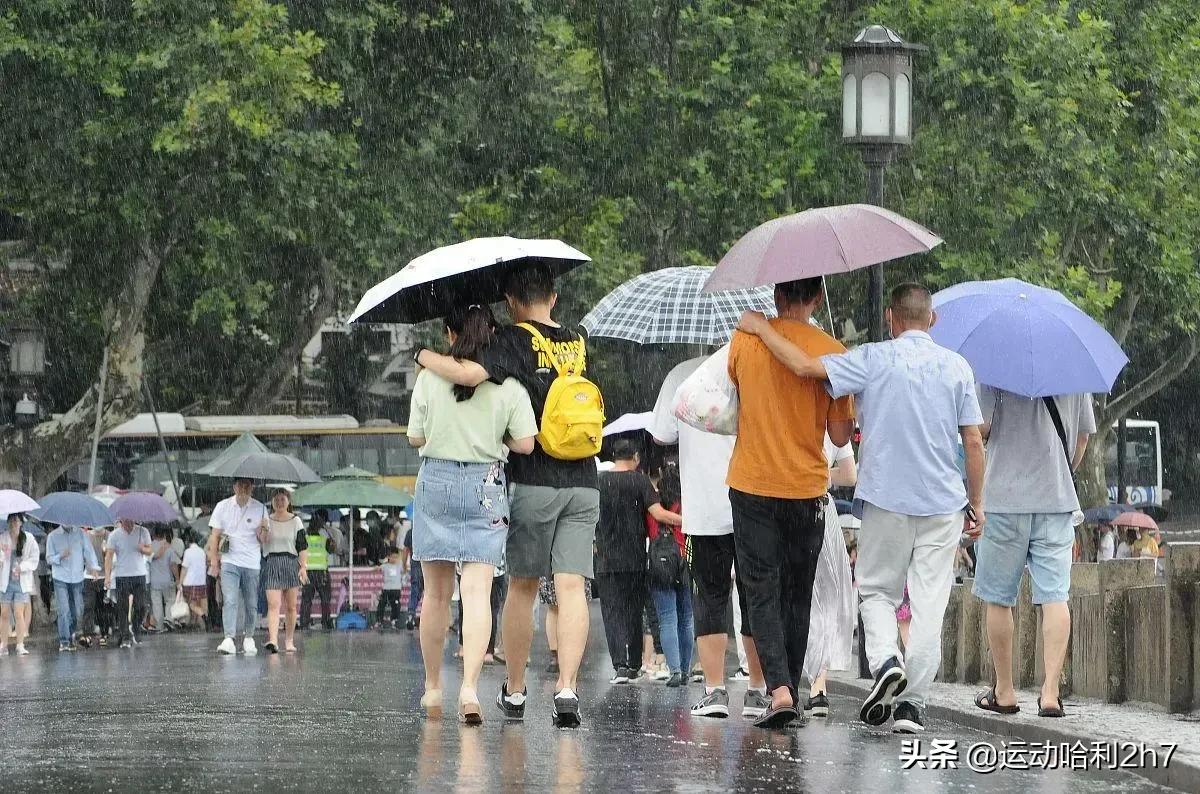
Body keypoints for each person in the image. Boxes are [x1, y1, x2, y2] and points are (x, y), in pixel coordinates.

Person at [738, 282, 986, 734]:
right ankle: (911, 707)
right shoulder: (958, 368)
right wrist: (978, 502)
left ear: (891, 317)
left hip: (886, 498)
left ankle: (886, 659)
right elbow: (973, 439)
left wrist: (760, 327)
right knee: (930, 604)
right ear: (932, 319)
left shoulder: (871, 358)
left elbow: (802, 365)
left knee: (876, 593)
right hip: (944, 504)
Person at [414, 265, 601, 728]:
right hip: (583, 480)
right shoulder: (578, 340)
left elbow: (469, 374)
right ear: (553, 297)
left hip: (535, 482)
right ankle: (567, 688)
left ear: (512, 302)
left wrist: (424, 355)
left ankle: (513, 690)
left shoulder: (514, 341)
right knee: (572, 586)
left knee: (520, 586)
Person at [726, 277, 855, 729]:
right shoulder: (832, 352)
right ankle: (792, 693)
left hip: (752, 483)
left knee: (760, 589)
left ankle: (778, 689)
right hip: (806, 490)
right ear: (817, 298)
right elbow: (839, 434)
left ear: (777, 295)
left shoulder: (746, 340)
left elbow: (736, 392)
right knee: (798, 594)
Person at [408, 302, 538, 724]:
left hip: (437, 480)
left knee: (436, 594)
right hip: (487, 483)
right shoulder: (509, 384)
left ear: (449, 334)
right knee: (478, 591)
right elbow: (526, 444)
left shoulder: (429, 378)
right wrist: (494, 435)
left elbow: (415, 437)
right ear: (492, 335)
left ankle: (432, 687)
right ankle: (469, 689)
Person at [650, 352, 770, 720]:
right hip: (753, 500)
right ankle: (757, 691)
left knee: (710, 597)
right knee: (755, 597)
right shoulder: (755, 367)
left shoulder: (681, 374)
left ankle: (715, 690)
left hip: (704, 508)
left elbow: (661, 433)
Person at [972, 388, 1094, 720]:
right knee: (1055, 596)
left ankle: (1005, 691)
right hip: (1056, 500)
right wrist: (1059, 470)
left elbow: (980, 428)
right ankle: (1051, 693)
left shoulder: (997, 371)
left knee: (999, 599)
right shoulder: (1073, 372)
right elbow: (1082, 438)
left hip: (1003, 499)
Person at [595, 440, 682, 684]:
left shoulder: (600, 481)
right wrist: (685, 520)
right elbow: (658, 514)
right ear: (635, 457)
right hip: (634, 556)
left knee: (612, 612)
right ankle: (634, 664)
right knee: (634, 611)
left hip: (606, 557)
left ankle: (620, 666)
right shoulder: (640, 481)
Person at [804, 435, 859, 718]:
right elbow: (850, 474)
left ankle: (785, 683)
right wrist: (825, 473)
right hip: (824, 510)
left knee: (797, 596)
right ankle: (819, 687)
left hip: (788, 502)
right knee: (825, 600)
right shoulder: (836, 426)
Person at [645, 460, 694, 688]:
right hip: (685, 561)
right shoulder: (687, 503)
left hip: (660, 564)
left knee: (667, 618)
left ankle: (673, 669)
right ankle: (685, 670)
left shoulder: (653, 505)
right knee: (686, 619)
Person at [207, 478, 268, 656]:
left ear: (252, 487)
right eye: (240, 485)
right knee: (230, 600)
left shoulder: (260, 508)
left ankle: (249, 637)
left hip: (251, 563)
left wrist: (264, 529)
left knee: (251, 603)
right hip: (229, 561)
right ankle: (229, 638)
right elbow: (214, 536)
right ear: (234, 487)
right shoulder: (222, 506)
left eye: (247, 485)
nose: (243, 489)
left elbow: (264, 540)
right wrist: (214, 561)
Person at [261, 488, 307, 654]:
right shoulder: (266, 519)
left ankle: (289, 640)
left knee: (291, 606)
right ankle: (273, 640)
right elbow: (262, 541)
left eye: (282, 499)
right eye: (276, 500)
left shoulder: (296, 521)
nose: (279, 503)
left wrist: (303, 567)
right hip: (272, 562)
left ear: (288, 502)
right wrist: (264, 527)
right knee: (273, 604)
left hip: (291, 562)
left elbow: (302, 546)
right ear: (272, 502)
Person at [46, 522, 102, 651]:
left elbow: (88, 551)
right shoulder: (53, 536)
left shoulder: (81, 534)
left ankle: (71, 634)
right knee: (64, 610)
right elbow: (49, 559)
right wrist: (60, 556)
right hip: (60, 577)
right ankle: (64, 640)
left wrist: (93, 567)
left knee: (77, 610)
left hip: (77, 577)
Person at [104, 517, 153, 649]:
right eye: (125, 520)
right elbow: (109, 556)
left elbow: (150, 550)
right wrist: (107, 577)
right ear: (121, 520)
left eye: (130, 520)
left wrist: (142, 549)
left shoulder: (143, 531)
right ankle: (125, 636)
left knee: (141, 606)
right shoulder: (114, 535)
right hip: (122, 575)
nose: (128, 523)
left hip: (139, 574)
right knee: (122, 608)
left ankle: (136, 627)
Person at [0, 513, 39, 656]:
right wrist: (2, 556)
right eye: (11, 521)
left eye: (16, 521)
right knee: (4, 613)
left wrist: (21, 567)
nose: (14, 523)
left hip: (21, 582)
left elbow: (34, 559)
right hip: (5, 581)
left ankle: (20, 644)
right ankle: (3, 645)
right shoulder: (3, 538)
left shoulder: (29, 538)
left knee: (18, 613)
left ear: (21, 523)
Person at [300, 516, 335, 630]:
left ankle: (304, 624)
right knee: (325, 600)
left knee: (306, 600)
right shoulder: (324, 540)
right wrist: (328, 532)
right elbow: (333, 549)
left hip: (308, 572)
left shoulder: (304, 540)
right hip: (322, 573)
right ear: (320, 528)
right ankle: (326, 623)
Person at [82, 525, 113, 645]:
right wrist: (92, 567)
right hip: (89, 576)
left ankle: (104, 633)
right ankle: (87, 634)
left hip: (104, 577)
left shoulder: (110, 536)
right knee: (88, 606)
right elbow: (84, 554)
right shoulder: (86, 536)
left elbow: (112, 556)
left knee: (103, 607)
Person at [148, 526, 181, 632]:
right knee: (170, 600)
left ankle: (159, 626)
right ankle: (169, 620)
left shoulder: (149, 547)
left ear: (153, 534)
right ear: (164, 534)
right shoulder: (169, 547)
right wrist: (177, 579)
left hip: (154, 580)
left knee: (156, 603)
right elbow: (173, 565)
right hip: (167, 579)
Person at [179, 534, 209, 629]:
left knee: (191, 605)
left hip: (190, 582)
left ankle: (204, 617)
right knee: (197, 603)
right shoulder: (202, 551)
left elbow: (184, 568)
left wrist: (180, 582)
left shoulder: (188, 552)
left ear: (188, 541)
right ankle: (194, 623)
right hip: (201, 582)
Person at [378, 546, 405, 629]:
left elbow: (405, 571)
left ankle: (394, 620)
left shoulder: (399, 566)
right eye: (393, 557)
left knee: (396, 605)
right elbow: (377, 568)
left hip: (396, 589)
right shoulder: (385, 566)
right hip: (386, 589)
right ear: (389, 557)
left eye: (396, 557)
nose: (394, 559)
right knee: (381, 604)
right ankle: (379, 621)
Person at [402, 520, 422, 630]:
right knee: (431, 592)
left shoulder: (410, 533)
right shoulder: (427, 531)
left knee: (415, 590)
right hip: (428, 564)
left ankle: (410, 614)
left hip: (415, 564)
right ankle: (428, 617)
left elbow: (405, 550)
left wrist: (404, 565)